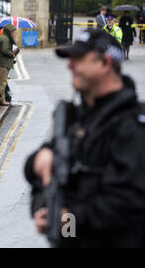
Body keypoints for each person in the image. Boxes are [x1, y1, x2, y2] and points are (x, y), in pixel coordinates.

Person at [25, 29, 145, 247]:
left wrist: (68, 220)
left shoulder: (133, 126)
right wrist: (37, 162)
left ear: (105, 63)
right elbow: (47, 175)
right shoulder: (77, 118)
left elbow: (126, 205)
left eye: (78, 59)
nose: (70, 65)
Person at [0, 24, 18, 106]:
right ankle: (1, 100)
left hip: (2, 63)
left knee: (2, 82)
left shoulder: (4, 38)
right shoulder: (5, 39)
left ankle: (1, 98)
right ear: (8, 31)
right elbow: (5, 50)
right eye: (12, 32)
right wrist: (12, 54)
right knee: (2, 83)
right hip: (2, 63)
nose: (13, 33)